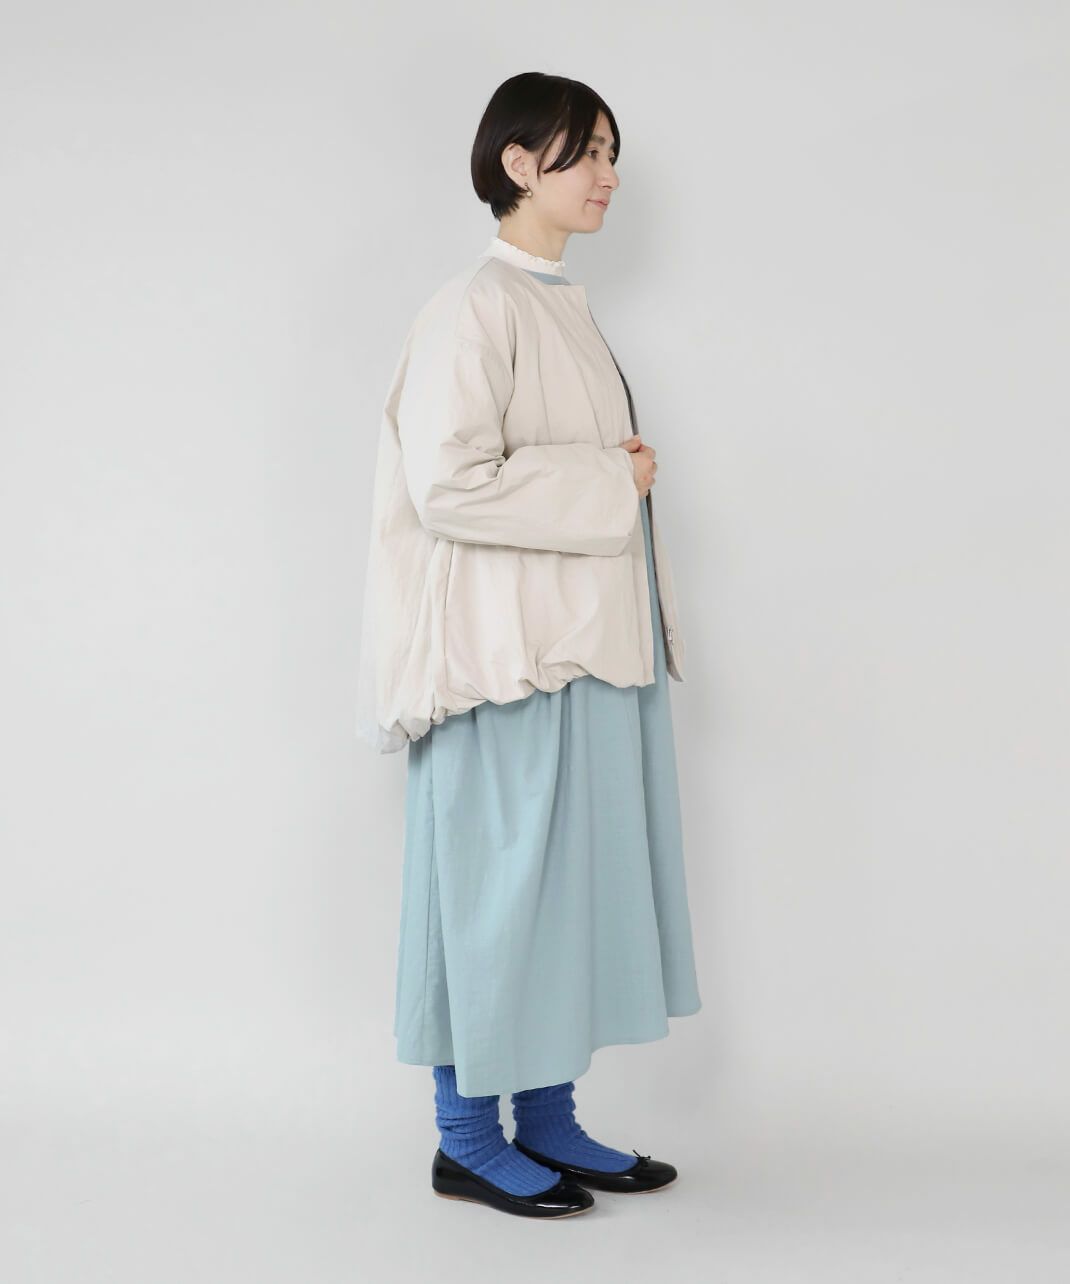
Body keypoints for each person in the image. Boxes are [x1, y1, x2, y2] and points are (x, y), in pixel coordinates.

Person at [356, 72, 701, 1219]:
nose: (608, 175)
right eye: (585, 151)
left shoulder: (556, 303)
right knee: (492, 894)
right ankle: (465, 1139)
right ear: (517, 162)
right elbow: (448, 485)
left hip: (577, 652)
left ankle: (546, 1120)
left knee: (559, 895)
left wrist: (612, 479)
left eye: (610, 152)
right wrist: (611, 476)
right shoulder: (473, 307)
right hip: (499, 661)